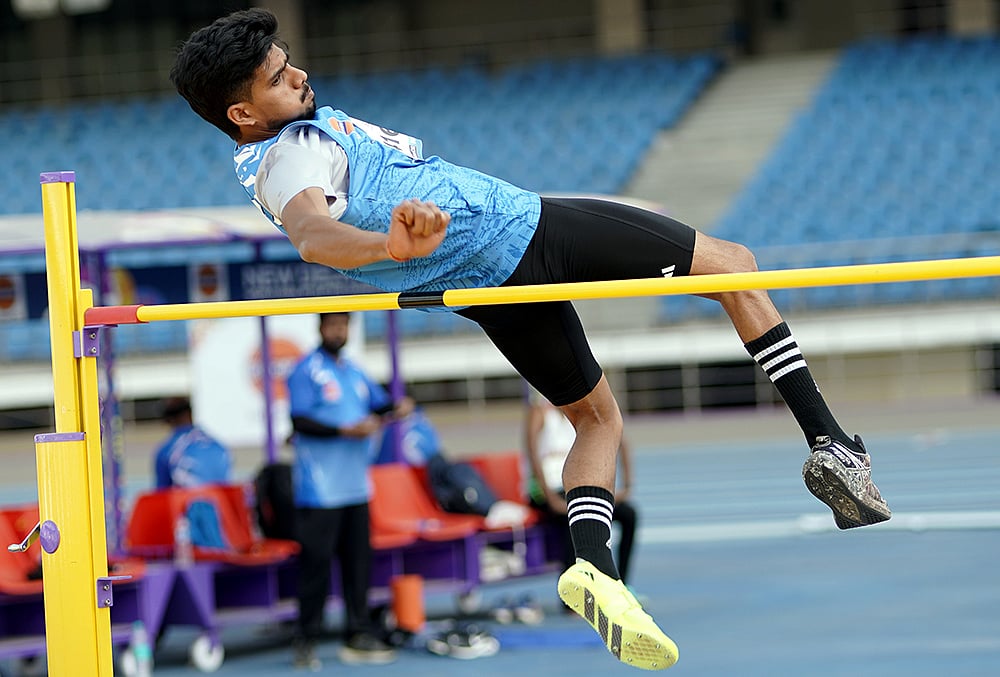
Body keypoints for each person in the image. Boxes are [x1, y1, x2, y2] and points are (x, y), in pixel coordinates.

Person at [170, 10, 891, 670]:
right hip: (529, 235)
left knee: (596, 418)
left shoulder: (291, 138)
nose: (298, 74)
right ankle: (831, 441)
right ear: (242, 113)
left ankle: (594, 568)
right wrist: (387, 248)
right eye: (278, 76)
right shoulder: (291, 154)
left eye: (289, 61)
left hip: (496, 285)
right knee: (733, 264)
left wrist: (392, 244)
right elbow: (314, 237)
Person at [285, 311, 413, 669]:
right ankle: (305, 638)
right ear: (321, 328)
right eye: (333, 325)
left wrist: (396, 407)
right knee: (316, 567)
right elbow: (299, 420)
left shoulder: (352, 371)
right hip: (320, 490)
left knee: (359, 565)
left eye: (344, 325)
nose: (339, 330)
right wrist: (345, 432)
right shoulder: (306, 370)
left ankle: (357, 633)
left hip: (356, 487)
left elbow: (377, 403)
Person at [525, 394, 639, 587]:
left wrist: (626, 485)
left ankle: (622, 587)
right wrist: (551, 498)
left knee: (629, 515)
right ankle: (572, 598)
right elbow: (533, 456)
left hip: (575, 487)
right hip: (547, 490)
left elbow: (619, 438)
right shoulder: (540, 412)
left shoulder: (581, 413)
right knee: (575, 516)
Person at [152, 396, 232, 489]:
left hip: (191, 501)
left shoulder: (167, 451)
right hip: (220, 500)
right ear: (190, 414)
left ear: (169, 420)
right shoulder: (218, 445)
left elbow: (161, 495)